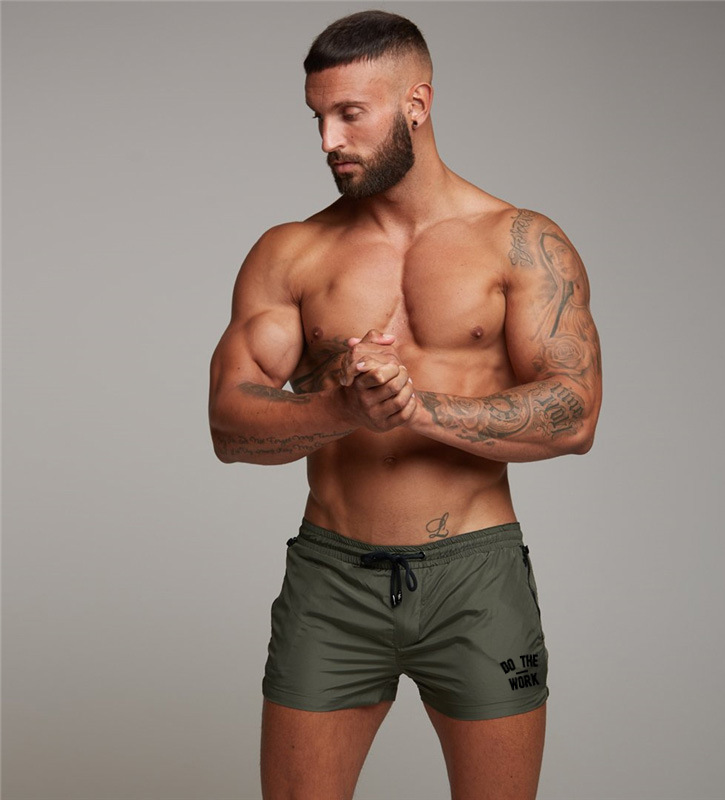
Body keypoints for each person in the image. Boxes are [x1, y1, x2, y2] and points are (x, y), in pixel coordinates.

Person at [209, 10, 602, 799]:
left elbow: (575, 412)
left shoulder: (519, 243)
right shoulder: (292, 252)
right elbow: (229, 423)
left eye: (350, 113)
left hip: (476, 578)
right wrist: (344, 411)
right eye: (319, 118)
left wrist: (416, 409)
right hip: (333, 579)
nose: (329, 140)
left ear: (416, 104)